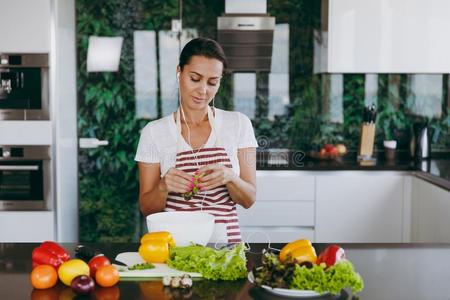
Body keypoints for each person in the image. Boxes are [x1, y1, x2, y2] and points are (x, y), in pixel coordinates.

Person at [135, 37, 257, 244]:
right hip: (174, 248)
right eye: (195, 78)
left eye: (212, 82)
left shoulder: (239, 124)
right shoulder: (154, 132)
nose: (203, 90)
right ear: (179, 72)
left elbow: (248, 199)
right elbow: (147, 208)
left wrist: (229, 177)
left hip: (225, 248)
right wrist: (164, 186)